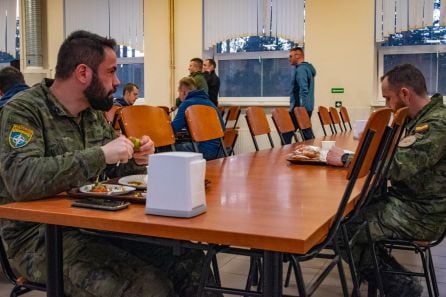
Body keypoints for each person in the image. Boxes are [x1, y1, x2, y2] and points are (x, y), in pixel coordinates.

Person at [0, 30, 219, 297]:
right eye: (111, 72)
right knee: (147, 287)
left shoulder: (92, 114)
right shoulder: (24, 110)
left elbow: (111, 173)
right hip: (38, 237)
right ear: (83, 73)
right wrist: (102, 154)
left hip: (93, 221)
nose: (117, 81)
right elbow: (21, 180)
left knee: (191, 261)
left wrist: (134, 160)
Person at [327, 64, 446, 297]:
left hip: (423, 214)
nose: (387, 106)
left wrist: (345, 158)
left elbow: (397, 166)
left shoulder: (435, 124)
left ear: (404, 94)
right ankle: (388, 277)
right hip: (414, 202)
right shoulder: (423, 118)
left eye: (388, 98)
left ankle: (401, 288)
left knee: (339, 229)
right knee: (349, 216)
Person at [172, 77, 224, 161]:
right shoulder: (211, 104)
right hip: (218, 151)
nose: (179, 96)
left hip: (201, 150)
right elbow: (223, 129)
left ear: (184, 92)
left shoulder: (186, 104)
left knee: (163, 149)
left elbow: (173, 129)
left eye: (179, 93)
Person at [284, 47, 316, 143]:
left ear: (298, 56)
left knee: (285, 135)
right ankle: (309, 154)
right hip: (306, 107)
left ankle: (284, 156)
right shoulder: (307, 69)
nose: (289, 59)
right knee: (306, 134)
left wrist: (301, 109)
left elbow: (303, 90)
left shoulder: (301, 70)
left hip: (299, 108)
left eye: (291, 56)